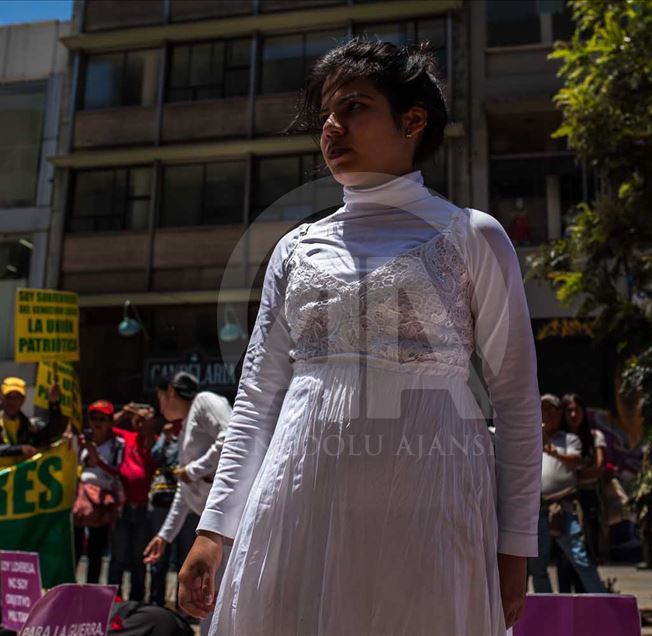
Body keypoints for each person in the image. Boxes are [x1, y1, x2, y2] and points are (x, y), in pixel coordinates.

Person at [178, 37, 542, 635]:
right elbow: (257, 402)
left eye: (353, 107)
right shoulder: (293, 250)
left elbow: (518, 402)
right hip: (295, 506)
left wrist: (515, 545)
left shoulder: (473, 236)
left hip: (431, 507)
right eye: (325, 112)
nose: (331, 125)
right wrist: (215, 529)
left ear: (413, 121)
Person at [143, 373, 230, 625]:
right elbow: (185, 489)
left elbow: (230, 439)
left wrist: (193, 471)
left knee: (219, 605)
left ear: (170, 391)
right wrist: (164, 536)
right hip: (212, 527)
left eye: (160, 397)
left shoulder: (205, 401)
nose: (160, 405)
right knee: (207, 605)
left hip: (227, 523)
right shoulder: (185, 425)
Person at [530, 394, 605, 594]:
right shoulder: (530, 439)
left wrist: (554, 452)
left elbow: (575, 461)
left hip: (563, 508)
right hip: (538, 510)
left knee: (580, 559)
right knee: (537, 566)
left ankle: (602, 604)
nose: (546, 414)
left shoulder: (569, 439)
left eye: (551, 410)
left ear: (558, 414)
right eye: (542, 410)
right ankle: (545, 612)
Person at [107, 403, 157, 602]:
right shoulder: (126, 437)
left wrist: (150, 428)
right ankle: (112, 599)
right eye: (137, 419)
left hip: (144, 508)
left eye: (143, 420)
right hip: (124, 507)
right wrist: (125, 413)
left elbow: (156, 454)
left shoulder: (156, 441)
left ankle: (136, 601)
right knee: (118, 556)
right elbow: (107, 427)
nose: (139, 423)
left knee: (139, 558)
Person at [557, 393, 606, 594]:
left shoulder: (595, 437)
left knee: (585, 550)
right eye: (569, 410)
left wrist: (572, 472)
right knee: (563, 556)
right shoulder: (558, 439)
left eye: (577, 409)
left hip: (586, 500)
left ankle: (590, 599)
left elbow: (598, 468)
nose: (574, 414)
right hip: (561, 501)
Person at [73, 400, 126, 584]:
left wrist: (97, 458)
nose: (97, 423)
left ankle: (91, 592)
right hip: (80, 501)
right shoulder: (81, 442)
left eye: (102, 419)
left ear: (110, 421)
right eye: (93, 418)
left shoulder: (117, 444)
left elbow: (117, 471)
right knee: (75, 549)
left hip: (103, 503)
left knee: (96, 552)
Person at [147, 417, 188, 607]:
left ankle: (183, 605)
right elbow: (155, 455)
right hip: (162, 504)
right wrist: (165, 436)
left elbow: (180, 461)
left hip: (186, 505)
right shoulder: (165, 440)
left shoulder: (190, 441)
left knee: (184, 557)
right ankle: (157, 602)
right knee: (159, 558)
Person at [0, 377, 64, 457]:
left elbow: (53, 433)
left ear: (23, 400)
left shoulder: (31, 426)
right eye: (9, 397)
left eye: (17, 398)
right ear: (1, 397)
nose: (12, 402)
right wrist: (16, 450)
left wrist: (54, 404)